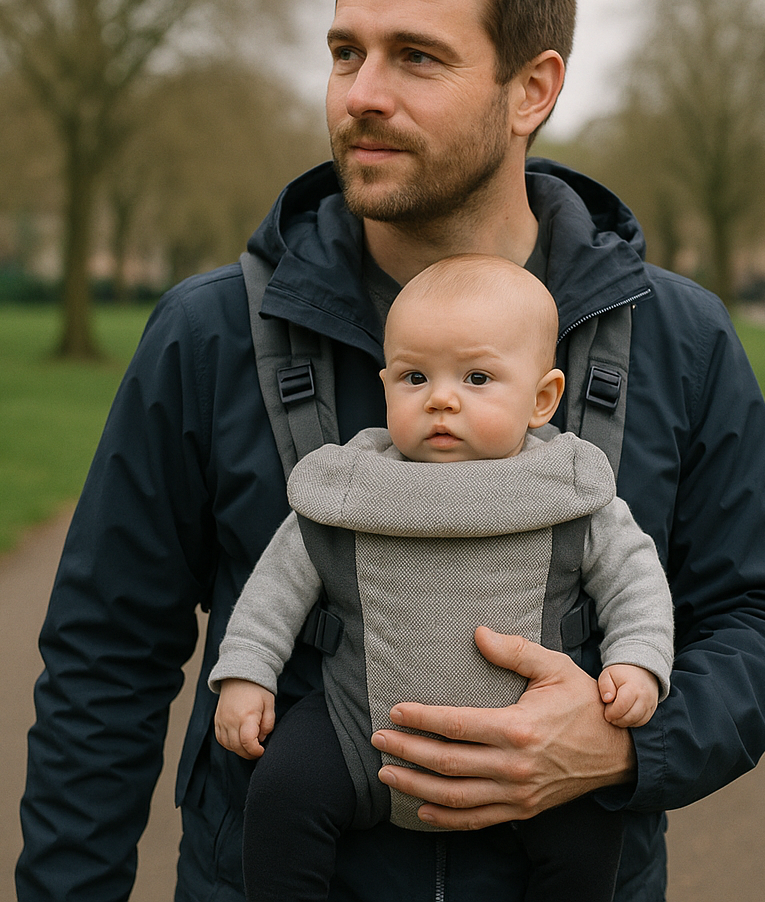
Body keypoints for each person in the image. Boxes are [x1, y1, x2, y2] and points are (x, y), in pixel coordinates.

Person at [17, 0, 765, 902]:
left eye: (417, 58)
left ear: (532, 90)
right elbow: (104, 658)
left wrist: (624, 746)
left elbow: (763, 618)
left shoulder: (680, 337)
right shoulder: (209, 332)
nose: (362, 94)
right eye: (346, 53)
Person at [209, 255, 676, 902]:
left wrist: (638, 660)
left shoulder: (566, 488)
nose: (441, 398)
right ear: (385, 387)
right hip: (359, 728)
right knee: (283, 792)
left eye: (477, 377)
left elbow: (635, 580)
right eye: (414, 377)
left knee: (589, 826)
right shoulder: (351, 486)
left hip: (536, 747)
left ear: (542, 399)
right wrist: (247, 673)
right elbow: (276, 586)